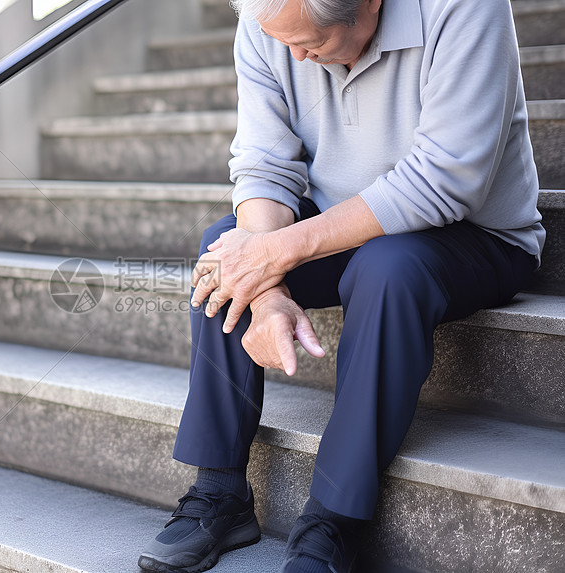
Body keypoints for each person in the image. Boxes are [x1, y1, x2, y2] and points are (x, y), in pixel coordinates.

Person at [137, 0, 546, 571]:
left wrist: (279, 251)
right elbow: (264, 165)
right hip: (342, 224)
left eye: (314, 43)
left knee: (387, 267)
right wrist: (265, 288)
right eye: (288, 43)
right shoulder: (270, 22)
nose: (297, 56)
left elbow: (447, 180)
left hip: (474, 233)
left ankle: (334, 520)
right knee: (225, 245)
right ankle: (220, 491)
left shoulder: (465, 8)